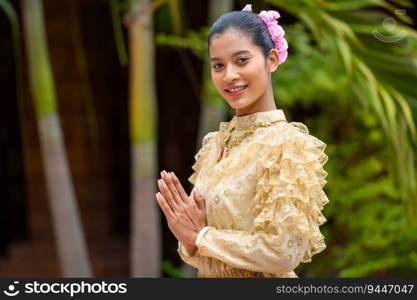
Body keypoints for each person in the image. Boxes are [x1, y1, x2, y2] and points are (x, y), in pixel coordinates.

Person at [155, 4, 329, 278]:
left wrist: (201, 237)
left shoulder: (287, 146)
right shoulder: (214, 146)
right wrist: (190, 239)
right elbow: (201, 251)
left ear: (271, 59)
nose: (229, 75)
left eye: (242, 60)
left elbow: (283, 252)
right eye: (218, 65)